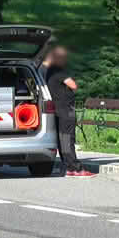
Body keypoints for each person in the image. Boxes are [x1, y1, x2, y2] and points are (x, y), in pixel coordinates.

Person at [43, 46, 89, 177]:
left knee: (62, 139)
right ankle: (77, 168)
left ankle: (67, 167)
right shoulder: (60, 71)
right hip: (66, 109)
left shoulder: (48, 72)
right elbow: (73, 85)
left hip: (56, 110)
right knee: (68, 138)